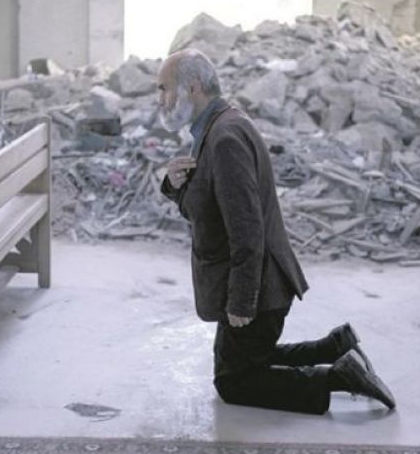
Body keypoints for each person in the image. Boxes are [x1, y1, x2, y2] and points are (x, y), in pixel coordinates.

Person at [156, 48, 395, 415]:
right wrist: (176, 185)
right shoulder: (216, 126)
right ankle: (336, 347)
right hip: (255, 281)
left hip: (259, 286)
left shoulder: (224, 140)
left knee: (234, 382)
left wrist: (241, 302)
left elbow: (247, 230)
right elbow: (210, 213)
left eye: (164, 89)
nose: (161, 100)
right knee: (250, 361)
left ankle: (339, 376)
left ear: (192, 88)